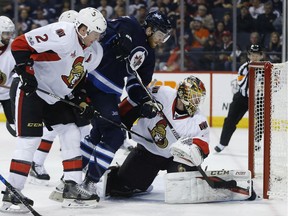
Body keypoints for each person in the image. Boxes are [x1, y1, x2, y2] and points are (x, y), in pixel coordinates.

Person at [1, 7, 107, 213]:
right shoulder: (63, 34)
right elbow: (21, 44)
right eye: (94, 33)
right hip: (33, 91)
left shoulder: (94, 51)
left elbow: (78, 77)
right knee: (29, 141)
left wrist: (82, 100)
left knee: (70, 133)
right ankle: (11, 194)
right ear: (83, 29)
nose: (96, 38)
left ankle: (71, 187)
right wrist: (26, 71)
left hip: (56, 96)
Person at [80, 10, 172, 193]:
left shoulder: (149, 56)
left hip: (110, 93)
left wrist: (145, 101)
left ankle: (70, 176)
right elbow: (98, 29)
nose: (162, 40)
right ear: (149, 29)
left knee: (99, 133)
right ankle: (88, 183)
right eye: (161, 34)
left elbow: (136, 85)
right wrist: (115, 39)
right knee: (115, 135)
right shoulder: (128, 24)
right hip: (92, 81)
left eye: (166, 37)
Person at [104, 75, 210, 197]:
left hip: (176, 159)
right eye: (195, 97)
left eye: (199, 99)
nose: (196, 102)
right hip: (148, 152)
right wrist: (134, 112)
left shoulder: (199, 121)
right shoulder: (161, 94)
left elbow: (204, 146)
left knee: (182, 191)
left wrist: (194, 151)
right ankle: (138, 179)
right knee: (120, 187)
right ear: (183, 93)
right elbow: (133, 101)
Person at [214, 44, 264, 153]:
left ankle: (257, 141)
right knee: (230, 119)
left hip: (258, 99)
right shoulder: (244, 67)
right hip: (242, 98)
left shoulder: (266, 68)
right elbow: (242, 84)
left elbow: (273, 84)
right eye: (252, 55)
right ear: (249, 55)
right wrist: (251, 74)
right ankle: (222, 143)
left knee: (261, 120)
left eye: (257, 55)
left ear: (261, 55)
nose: (254, 57)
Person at [0, 16, 16, 137]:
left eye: (10, 33)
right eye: (6, 33)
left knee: (15, 126)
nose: (9, 36)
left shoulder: (15, 47)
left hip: (7, 94)